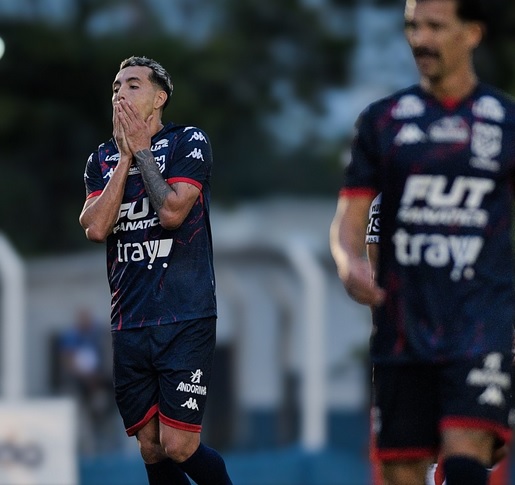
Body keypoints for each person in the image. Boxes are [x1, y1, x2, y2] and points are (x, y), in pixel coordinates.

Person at [329, 0, 515, 484]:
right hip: (404, 329)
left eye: (435, 26)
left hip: (479, 323)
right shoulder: (383, 123)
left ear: (471, 33)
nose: (421, 39)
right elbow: (349, 219)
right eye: (413, 27)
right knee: (404, 471)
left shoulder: (504, 122)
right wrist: (349, 264)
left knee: (466, 454)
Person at [79, 55, 232, 485]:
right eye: (115, 87)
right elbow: (94, 226)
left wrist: (142, 150)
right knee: (149, 445)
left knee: (178, 445)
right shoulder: (101, 160)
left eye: (132, 85)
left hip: (185, 314)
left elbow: (170, 212)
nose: (119, 94)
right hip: (129, 320)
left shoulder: (188, 141)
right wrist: (125, 157)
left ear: (159, 98)